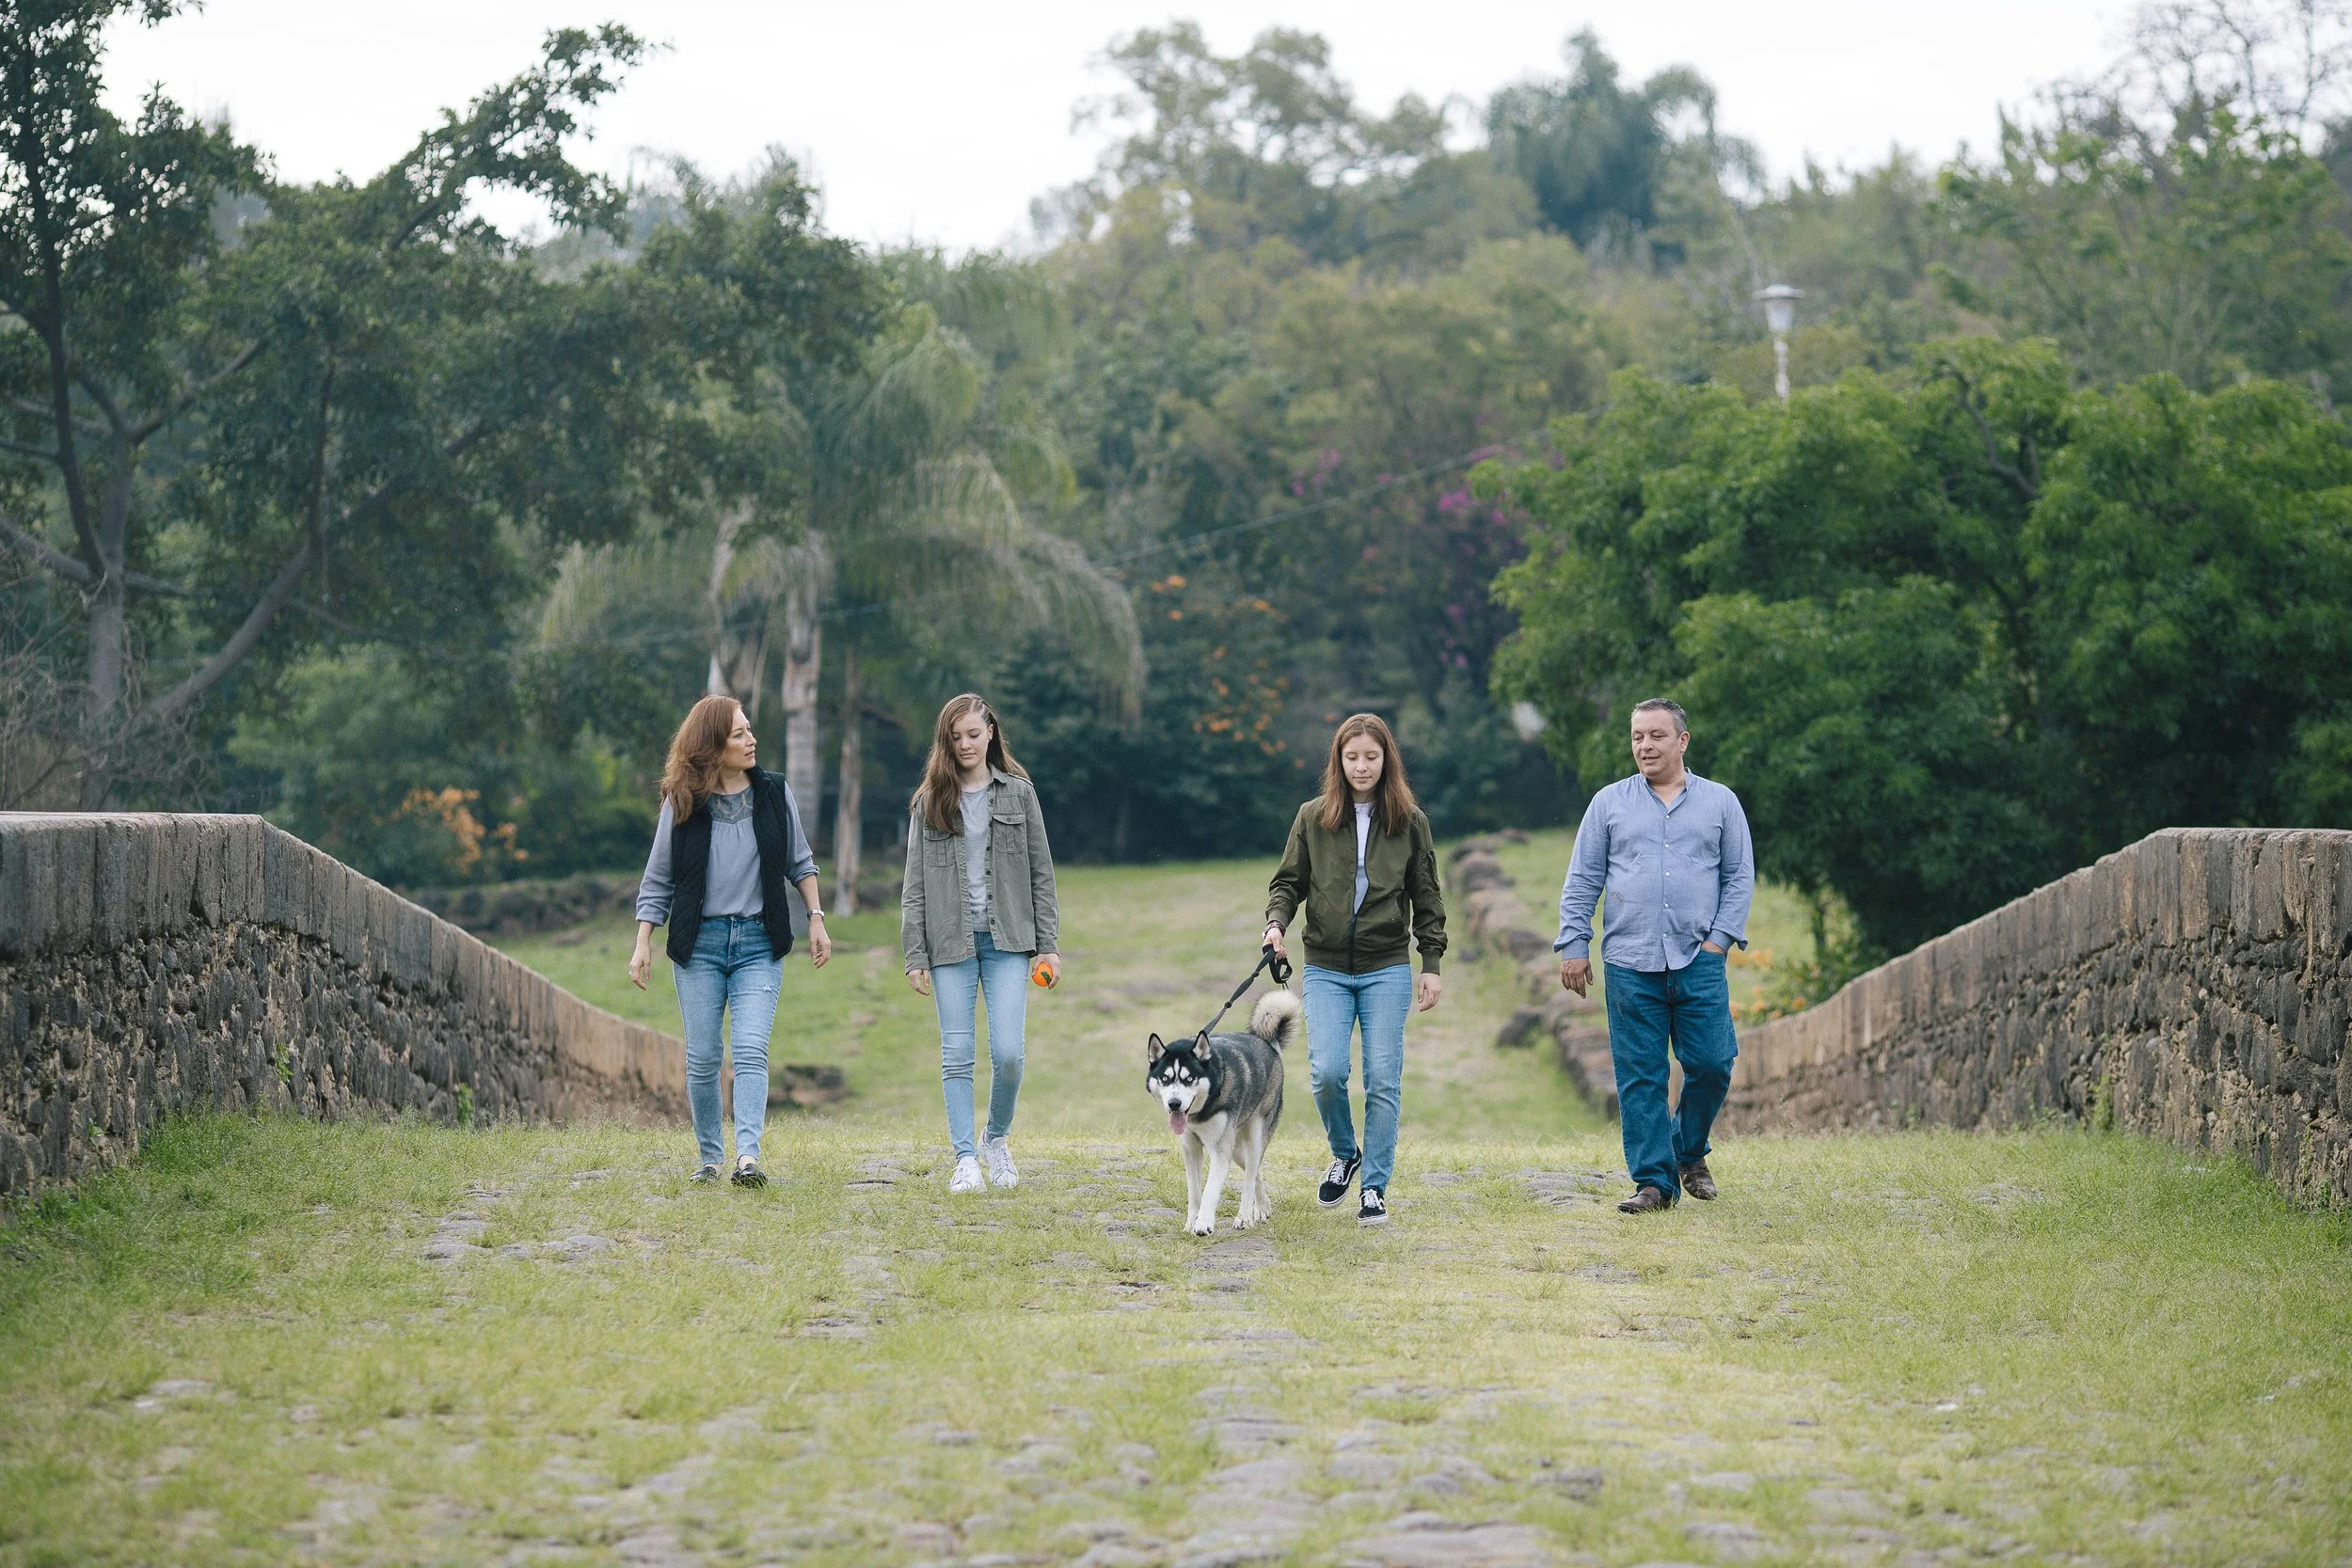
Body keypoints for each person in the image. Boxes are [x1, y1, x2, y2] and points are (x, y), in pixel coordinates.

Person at [1555, 698, 1754, 1213]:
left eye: (1657, 736)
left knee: (1712, 1063)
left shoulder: (1721, 803)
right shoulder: (1608, 804)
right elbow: (1582, 880)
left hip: (1699, 958)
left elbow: (1738, 878)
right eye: (1638, 736)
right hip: (1628, 959)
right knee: (1641, 1075)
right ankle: (1653, 1184)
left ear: (1682, 741)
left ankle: (1688, 1151)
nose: (1646, 745)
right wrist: (1575, 945)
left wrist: (1718, 943)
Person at [628, 695, 831, 1188]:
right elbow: (658, 879)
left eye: (749, 730)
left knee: (750, 1049)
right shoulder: (682, 803)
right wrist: (642, 943)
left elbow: (799, 861)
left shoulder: (774, 793)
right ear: (713, 746)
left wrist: (816, 918)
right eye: (739, 734)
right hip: (699, 945)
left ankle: (748, 1159)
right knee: (702, 1056)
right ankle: (709, 1159)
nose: (751, 740)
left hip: (760, 942)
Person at [1264, 713, 1447, 1227]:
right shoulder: (1312, 817)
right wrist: (1276, 924)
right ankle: (1346, 1153)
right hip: (1324, 966)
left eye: (1371, 756)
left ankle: (1374, 1188)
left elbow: (1428, 897)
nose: (1362, 766)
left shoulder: (1410, 822)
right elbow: (1287, 883)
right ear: (1338, 762)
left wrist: (1429, 963)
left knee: (1383, 1078)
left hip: (1386, 965)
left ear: (1386, 759)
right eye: (1352, 757)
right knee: (1326, 1073)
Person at [901, 694, 1061, 1195]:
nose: (965, 744)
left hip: (1009, 939)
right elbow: (914, 885)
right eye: (955, 737)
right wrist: (915, 955)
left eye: (973, 734)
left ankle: (995, 1138)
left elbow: (1042, 873)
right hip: (949, 941)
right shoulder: (929, 802)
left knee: (1009, 1054)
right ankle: (965, 1158)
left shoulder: (1019, 794)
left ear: (990, 732)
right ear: (945, 743)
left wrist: (1048, 945)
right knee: (956, 1054)